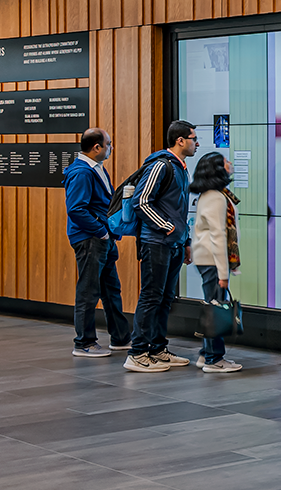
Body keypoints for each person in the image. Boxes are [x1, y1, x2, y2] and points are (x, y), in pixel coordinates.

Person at [126, 120, 198, 373]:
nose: (196, 143)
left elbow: (180, 210)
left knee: (165, 298)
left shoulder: (181, 167)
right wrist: (166, 226)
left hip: (174, 244)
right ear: (180, 140)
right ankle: (137, 353)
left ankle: (157, 349)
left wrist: (185, 241)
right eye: (193, 138)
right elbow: (142, 201)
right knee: (151, 296)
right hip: (156, 242)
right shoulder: (161, 165)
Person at [64, 128, 130, 357]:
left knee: (111, 290)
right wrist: (101, 232)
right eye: (109, 144)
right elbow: (76, 210)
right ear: (97, 147)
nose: (111, 148)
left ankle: (121, 339)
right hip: (90, 239)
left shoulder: (97, 169)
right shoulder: (82, 172)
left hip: (103, 239)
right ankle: (84, 343)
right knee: (88, 291)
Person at [187, 152, 243, 373]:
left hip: (208, 258)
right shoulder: (216, 197)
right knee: (216, 308)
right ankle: (214, 358)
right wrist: (223, 273)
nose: (230, 164)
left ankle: (206, 354)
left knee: (213, 305)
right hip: (211, 259)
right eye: (225, 162)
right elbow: (218, 236)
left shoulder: (214, 194)